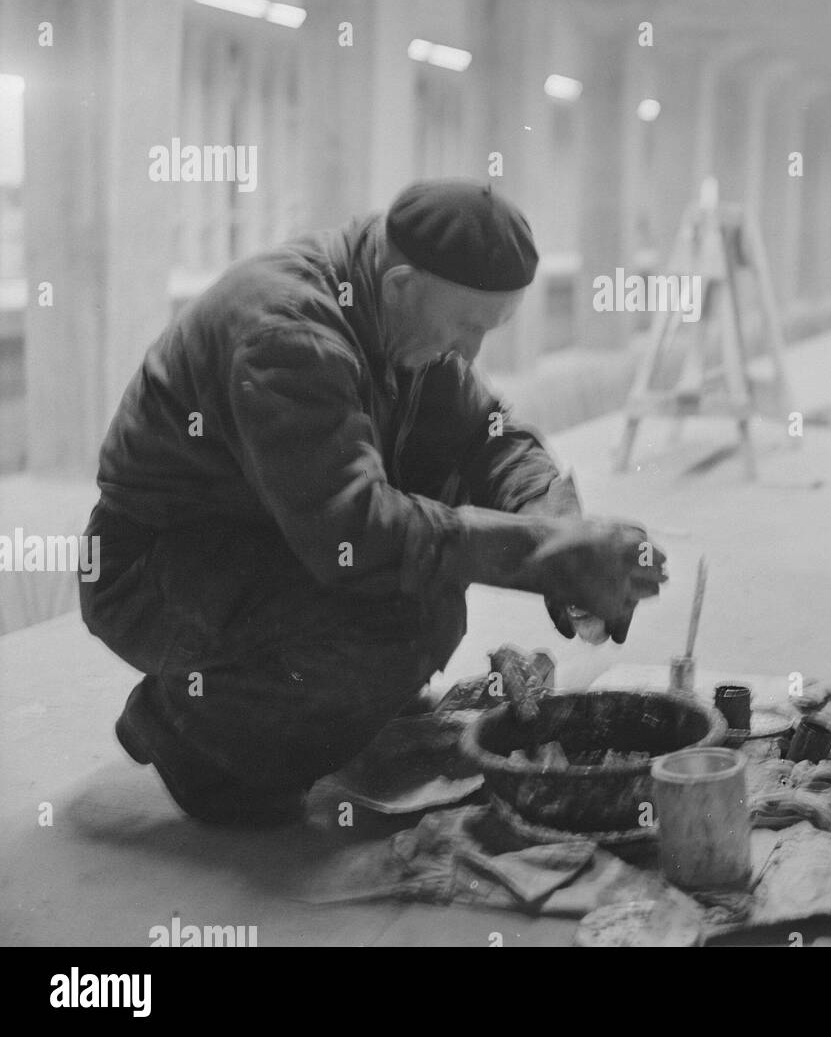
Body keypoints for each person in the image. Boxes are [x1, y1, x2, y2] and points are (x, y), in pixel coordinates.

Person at [82, 179, 667, 826]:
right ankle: (190, 730)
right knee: (409, 612)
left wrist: (559, 526)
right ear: (401, 287)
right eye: (467, 326)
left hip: (260, 531)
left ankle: (313, 704)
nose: (471, 353)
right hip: (152, 568)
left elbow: (488, 438)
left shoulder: (396, 303)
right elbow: (354, 536)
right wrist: (547, 556)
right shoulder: (288, 336)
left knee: (435, 498)